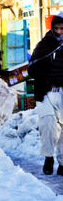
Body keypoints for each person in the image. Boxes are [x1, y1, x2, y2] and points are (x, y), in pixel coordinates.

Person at [28, 13, 63, 176]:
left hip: (62, 90)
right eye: (56, 28)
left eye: (62, 29)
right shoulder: (44, 45)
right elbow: (32, 68)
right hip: (46, 91)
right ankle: (48, 157)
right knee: (47, 123)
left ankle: (62, 162)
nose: (59, 32)